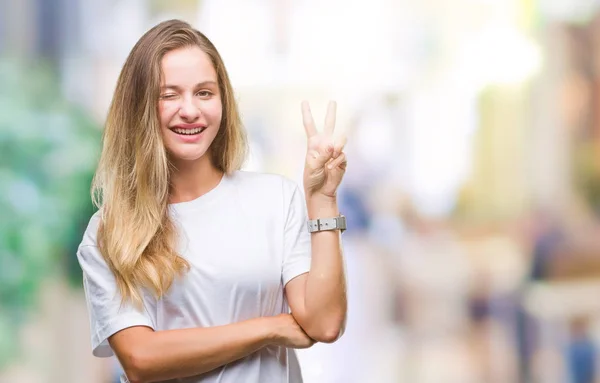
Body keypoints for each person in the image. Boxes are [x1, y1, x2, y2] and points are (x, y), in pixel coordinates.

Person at [76, 19, 348, 383]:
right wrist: (269, 328)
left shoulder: (275, 198)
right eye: (169, 94)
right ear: (139, 106)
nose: (190, 110)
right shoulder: (111, 230)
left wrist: (323, 199)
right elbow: (140, 358)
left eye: (204, 93)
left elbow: (324, 323)